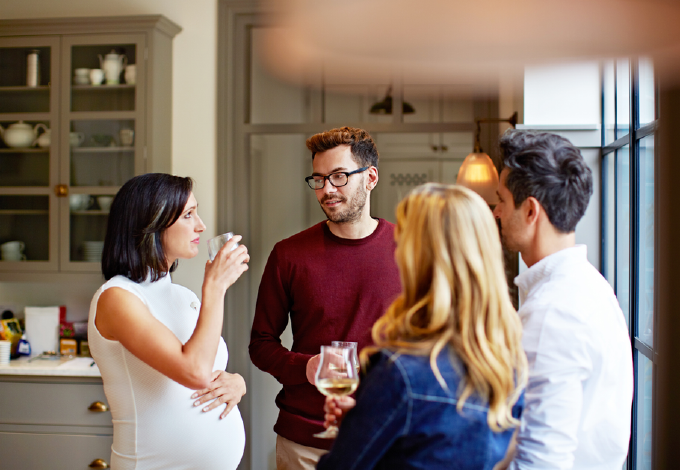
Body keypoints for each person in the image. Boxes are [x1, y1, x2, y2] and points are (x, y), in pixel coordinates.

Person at [316, 183, 527, 469]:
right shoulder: (506, 362)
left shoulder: (400, 371)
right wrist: (368, 419)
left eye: (402, 242)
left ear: (419, 259)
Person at [249, 127, 402, 469]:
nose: (327, 190)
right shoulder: (288, 255)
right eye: (318, 179)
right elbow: (261, 344)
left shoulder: (411, 249)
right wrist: (306, 367)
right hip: (306, 442)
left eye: (338, 176)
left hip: (385, 438)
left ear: (371, 177)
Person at [87, 173, 250, 470]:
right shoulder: (117, 297)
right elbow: (194, 372)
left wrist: (236, 384)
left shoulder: (181, 296)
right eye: (188, 215)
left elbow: (208, 369)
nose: (200, 225)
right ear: (151, 224)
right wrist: (215, 288)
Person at [492, 130, 634, 469]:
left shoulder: (552, 313)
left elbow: (540, 461)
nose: (495, 212)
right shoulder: (589, 285)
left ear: (530, 211)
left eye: (501, 200)